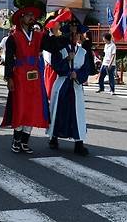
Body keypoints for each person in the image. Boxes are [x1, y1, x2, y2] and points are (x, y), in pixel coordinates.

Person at [1, 6, 49, 154]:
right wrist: (9, 78)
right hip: (20, 76)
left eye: (31, 16)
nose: (31, 18)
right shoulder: (13, 38)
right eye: (27, 15)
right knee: (20, 108)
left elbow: (52, 45)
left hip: (35, 76)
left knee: (32, 108)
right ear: (21, 18)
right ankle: (16, 140)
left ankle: (25, 141)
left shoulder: (38, 36)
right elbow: (9, 60)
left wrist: (61, 36)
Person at [44, 13, 90, 155]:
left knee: (77, 113)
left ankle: (79, 142)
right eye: (72, 33)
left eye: (77, 34)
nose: (74, 36)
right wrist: (66, 61)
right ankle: (54, 137)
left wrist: (78, 75)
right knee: (58, 110)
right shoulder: (61, 50)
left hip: (76, 86)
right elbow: (56, 65)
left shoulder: (83, 52)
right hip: (62, 83)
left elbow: (86, 68)